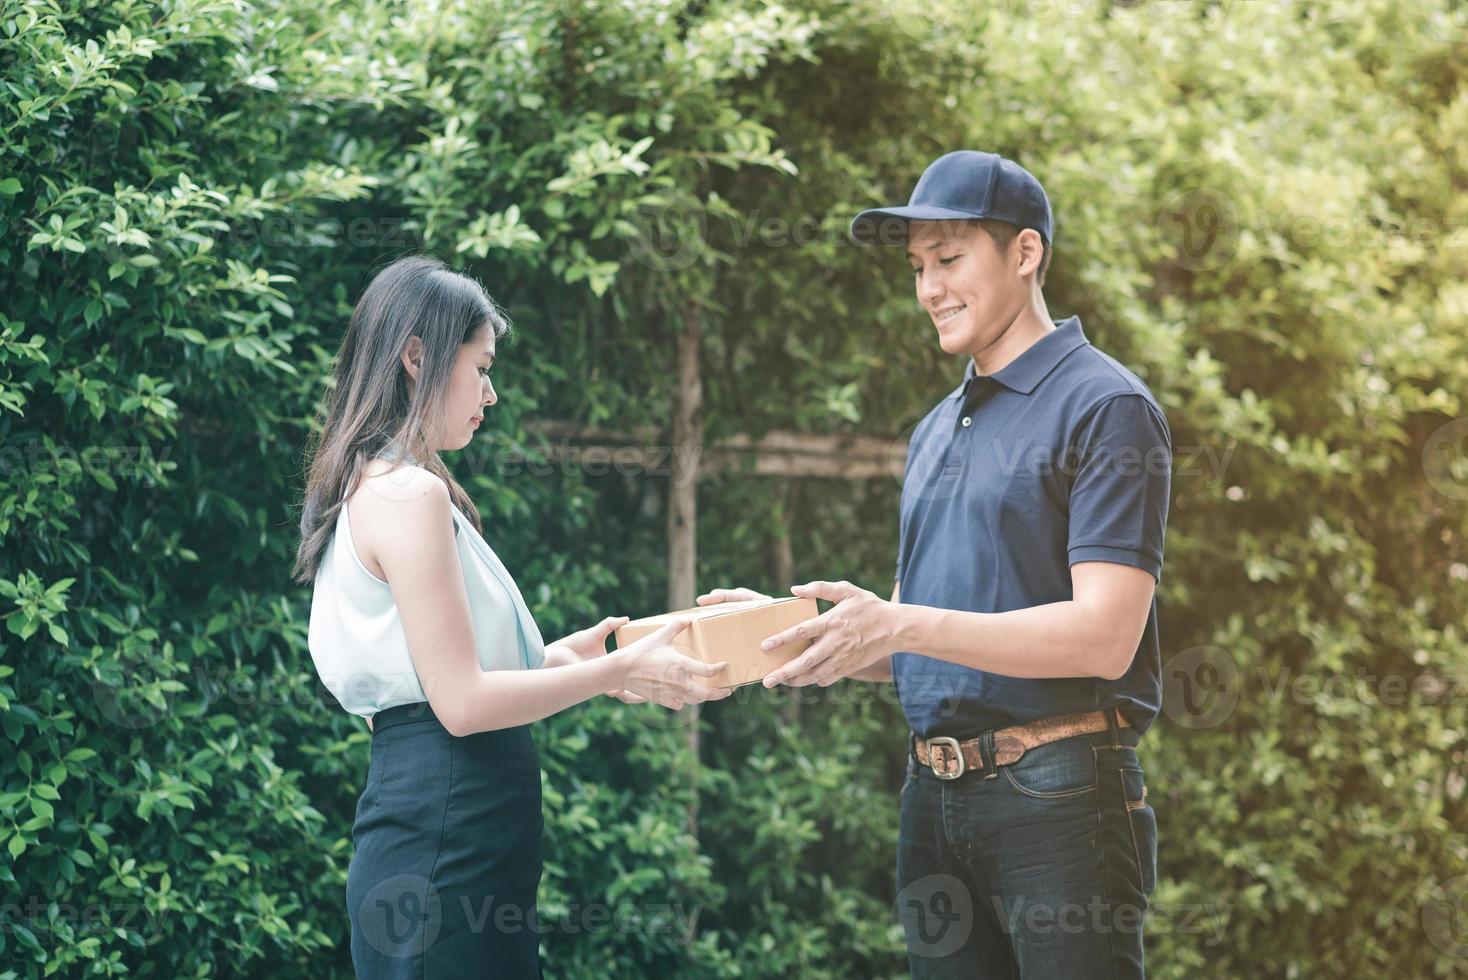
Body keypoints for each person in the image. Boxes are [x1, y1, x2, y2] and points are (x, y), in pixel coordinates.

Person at [699, 150, 1171, 978]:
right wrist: (791, 633)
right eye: (918, 267)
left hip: (1060, 793)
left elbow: (1105, 639)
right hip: (934, 798)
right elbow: (921, 640)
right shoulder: (935, 428)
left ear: (1024, 255)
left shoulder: (1107, 408)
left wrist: (902, 618)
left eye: (949, 259)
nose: (928, 289)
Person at [292, 254, 732, 979]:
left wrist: (576, 661)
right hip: (447, 831)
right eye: (482, 366)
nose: (490, 394)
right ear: (416, 356)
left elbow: (439, 684)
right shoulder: (409, 496)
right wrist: (617, 670)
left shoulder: (381, 485)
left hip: (444, 824)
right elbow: (460, 705)